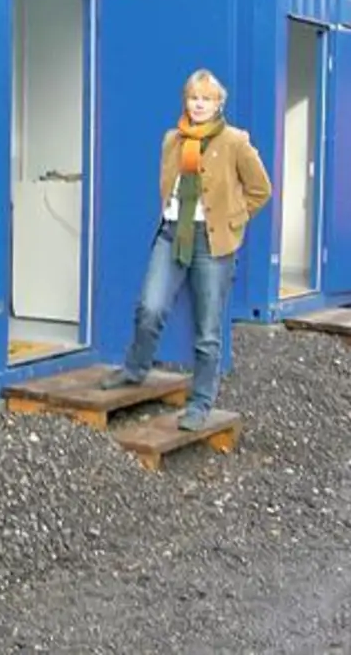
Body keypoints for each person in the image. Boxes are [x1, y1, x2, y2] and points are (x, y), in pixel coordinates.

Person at [101, 69, 272, 430]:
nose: (199, 104)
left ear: (218, 104)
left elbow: (261, 190)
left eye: (206, 99)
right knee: (149, 307)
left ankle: (201, 402)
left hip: (213, 243)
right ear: (186, 100)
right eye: (194, 97)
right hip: (171, 234)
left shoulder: (235, 141)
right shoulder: (172, 140)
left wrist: (232, 221)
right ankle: (135, 369)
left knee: (207, 330)